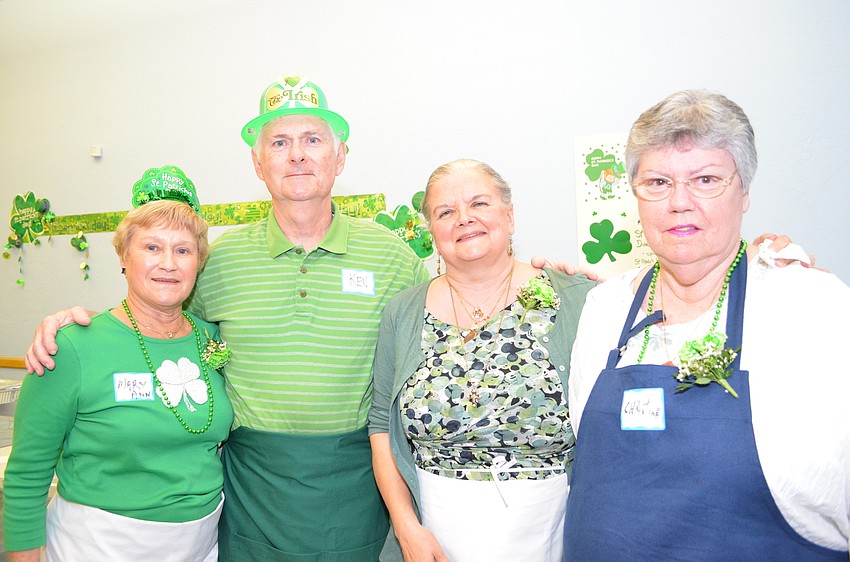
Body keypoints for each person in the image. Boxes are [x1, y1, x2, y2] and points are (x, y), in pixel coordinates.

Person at [23, 76, 428, 561]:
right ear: (258, 164)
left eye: (312, 140)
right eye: (279, 143)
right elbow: (157, 320)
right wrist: (79, 324)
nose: (297, 155)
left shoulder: (393, 257)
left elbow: (449, 322)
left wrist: (520, 278)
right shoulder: (220, 261)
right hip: (252, 487)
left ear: (340, 157)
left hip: (360, 481)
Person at [563, 90, 850, 559]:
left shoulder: (813, 308)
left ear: (745, 192)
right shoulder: (605, 308)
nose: (679, 202)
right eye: (657, 182)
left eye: (706, 179)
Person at [369, 158, 597, 562]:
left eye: (479, 204)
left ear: (509, 217)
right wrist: (406, 528)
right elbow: (381, 427)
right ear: (432, 231)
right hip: (432, 536)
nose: (464, 219)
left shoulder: (577, 300)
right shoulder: (402, 312)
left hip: (550, 532)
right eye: (446, 212)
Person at [3, 167, 234, 561]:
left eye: (183, 250)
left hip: (201, 545)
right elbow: (26, 476)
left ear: (199, 262)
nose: (168, 263)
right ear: (124, 256)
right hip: (97, 546)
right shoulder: (71, 347)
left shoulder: (212, 337)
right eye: (151, 247)